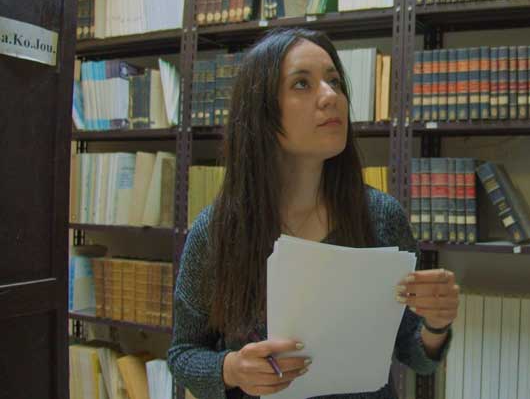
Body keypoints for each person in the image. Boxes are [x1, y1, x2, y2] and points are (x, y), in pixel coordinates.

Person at [167, 27, 460, 399]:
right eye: (302, 84)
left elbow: (413, 352)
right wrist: (232, 368)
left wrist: (436, 324)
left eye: (334, 81)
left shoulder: (382, 216)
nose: (330, 96)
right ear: (261, 112)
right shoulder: (217, 230)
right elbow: (183, 353)